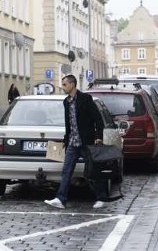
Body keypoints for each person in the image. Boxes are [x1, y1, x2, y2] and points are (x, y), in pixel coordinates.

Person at [44, 74, 109, 210]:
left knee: (93, 171)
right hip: (73, 143)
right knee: (66, 171)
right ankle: (61, 199)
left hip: (86, 142)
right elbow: (69, 124)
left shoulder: (85, 99)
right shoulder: (66, 102)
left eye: (65, 85)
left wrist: (98, 137)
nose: (63, 87)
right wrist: (65, 140)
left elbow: (98, 119)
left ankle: (101, 198)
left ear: (72, 84)